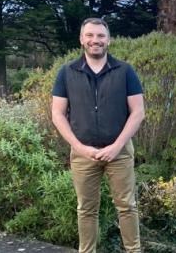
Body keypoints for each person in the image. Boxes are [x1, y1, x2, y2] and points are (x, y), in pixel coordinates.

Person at [51, 18, 145, 253]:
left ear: (108, 40)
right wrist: (79, 147)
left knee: (127, 206)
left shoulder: (125, 71)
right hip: (83, 154)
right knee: (86, 209)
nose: (96, 40)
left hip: (120, 152)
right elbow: (57, 114)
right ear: (82, 39)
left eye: (101, 36)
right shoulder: (66, 72)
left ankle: (133, 251)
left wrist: (117, 146)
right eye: (90, 35)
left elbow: (138, 112)